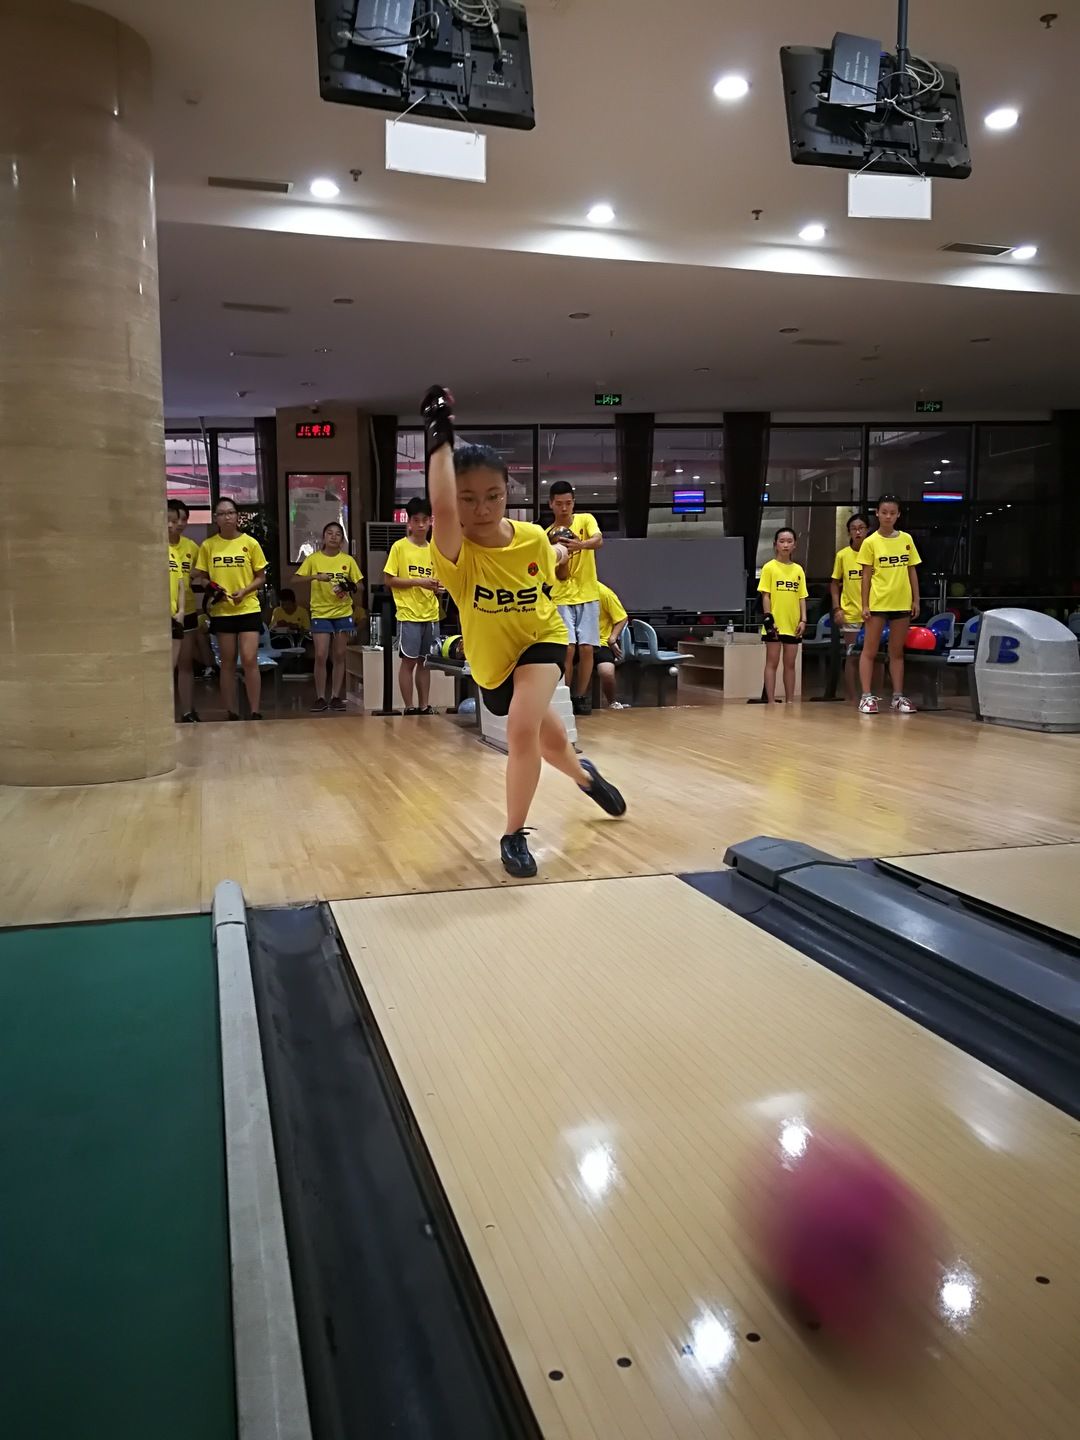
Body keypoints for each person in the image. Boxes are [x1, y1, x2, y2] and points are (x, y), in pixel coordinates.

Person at [423, 385, 626, 879]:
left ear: (507, 492)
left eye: (493, 496)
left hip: (542, 638)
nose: (482, 508)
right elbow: (442, 508)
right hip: (492, 664)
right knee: (550, 743)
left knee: (520, 730)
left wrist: (560, 553)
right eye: (468, 498)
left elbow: (550, 557)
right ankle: (585, 777)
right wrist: (438, 435)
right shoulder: (453, 552)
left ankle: (513, 835)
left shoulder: (532, 536)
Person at [192, 498, 268, 720]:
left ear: (237, 516)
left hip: (248, 607)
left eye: (230, 512)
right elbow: (201, 577)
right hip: (222, 610)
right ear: (216, 518)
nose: (227, 517)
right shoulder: (208, 546)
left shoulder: (250, 543)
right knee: (227, 661)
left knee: (249, 658)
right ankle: (231, 711)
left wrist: (244, 591)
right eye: (222, 514)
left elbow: (261, 577)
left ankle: (255, 710)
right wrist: (211, 587)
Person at [857, 496, 922, 715]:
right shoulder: (870, 542)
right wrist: (864, 604)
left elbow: (912, 570)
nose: (888, 517)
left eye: (892, 513)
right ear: (877, 513)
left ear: (898, 515)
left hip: (901, 602)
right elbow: (866, 576)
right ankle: (866, 696)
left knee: (896, 652)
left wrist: (916, 599)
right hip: (878, 602)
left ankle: (897, 696)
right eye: (884, 512)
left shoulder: (906, 539)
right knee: (870, 650)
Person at [546, 481, 603, 716]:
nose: (564, 508)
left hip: (588, 594)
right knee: (567, 649)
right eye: (559, 504)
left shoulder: (585, 520)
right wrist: (563, 558)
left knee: (587, 648)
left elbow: (598, 541)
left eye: (568, 503)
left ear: (573, 503)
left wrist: (580, 544)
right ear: (551, 504)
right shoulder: (548, 535)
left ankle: (580, 696)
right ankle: (565, 696)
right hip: (561, 597)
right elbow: (560, 575)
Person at [294, 522, 362, 713]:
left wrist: (349, 585)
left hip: (343, 612)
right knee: (321, 655)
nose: (333, 536)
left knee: (339, 655)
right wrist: (315, 577)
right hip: (320, 613)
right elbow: (295, 579)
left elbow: (360, 586)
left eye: (338, 534)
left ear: (342, 540)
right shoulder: (313, 559)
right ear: (323, 537)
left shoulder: (348, 560)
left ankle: (335, 696)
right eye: (329, 533)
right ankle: (320, 697)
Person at [384, 496, 442, 715]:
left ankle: (424, 705)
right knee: (408, 661)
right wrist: (419, 582)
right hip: (408, 614)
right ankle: (409, 707)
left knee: (425, 662)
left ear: (431, 521)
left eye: (425, 520)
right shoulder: (399, 547)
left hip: (431, 613)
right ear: (408, 522)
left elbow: (436, 581)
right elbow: (389, 580)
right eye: (416, 520)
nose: (420, 525)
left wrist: (437, 587)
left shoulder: (434, 549)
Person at [758, 527, 808, 704]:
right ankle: (771, 701)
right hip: (774, 624)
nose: (785, 545)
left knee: (790, 664)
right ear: (775, 544)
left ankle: (790, 701)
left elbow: (802, 596)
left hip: (793, 624)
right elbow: (766, 595)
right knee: (772, 662)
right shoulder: (769, 568)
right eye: (782, 541)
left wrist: (803, 620)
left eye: (789, 541)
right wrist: (769, 620)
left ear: (795, 545)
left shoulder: (798, 570)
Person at [830, 512, 871, 703]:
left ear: (867, 530)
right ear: (849, 532)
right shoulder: (843, 555)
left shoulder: (875, 552)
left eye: (861, 528)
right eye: (854, 529)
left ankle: (873, 695)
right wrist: (837, 608)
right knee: (852, 655)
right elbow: (834, 584)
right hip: (851, 613)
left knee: (876, 657)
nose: (858, 532)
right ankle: (852, 698)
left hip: (874, 613)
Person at [167, 499, 202, 722]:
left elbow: (201, 572)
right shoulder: (158, 547)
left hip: (186, 611)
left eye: (183, 519)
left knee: (185, 663)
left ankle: (188, 711)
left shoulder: (191, 547)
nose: (178, 523)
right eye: (173, 519)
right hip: (163, 613)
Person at [596, 581, 629, 709]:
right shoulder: (565, 589)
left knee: (607, 672)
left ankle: (612, 702)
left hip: (601, 643)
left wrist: (612, 639)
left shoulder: (604, 592)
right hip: (574, 643)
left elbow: (622, 618)